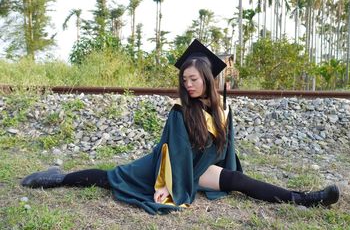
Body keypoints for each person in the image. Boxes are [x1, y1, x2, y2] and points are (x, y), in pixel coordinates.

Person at [21, 39, 340, 215]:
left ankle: (304, 199)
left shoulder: (222, 108)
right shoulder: (179, 113)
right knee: (110, 177)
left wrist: (223, 176)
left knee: (238, 180)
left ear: (207, 79)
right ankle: (59, 178)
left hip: (197, 169)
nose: (188, 84)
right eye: (184, 80)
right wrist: (167, 189)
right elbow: (171, 154)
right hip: (165, 169)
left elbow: (225, 150)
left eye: (194, 79)